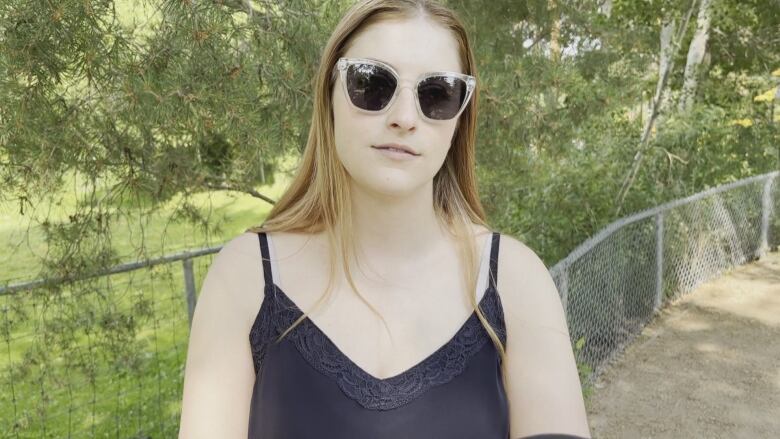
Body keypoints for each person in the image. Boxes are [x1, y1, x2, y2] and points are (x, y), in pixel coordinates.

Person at [178, 0, 591, 438]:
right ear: (329, 95)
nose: (404, 118)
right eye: (372, 84)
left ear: (460, 117)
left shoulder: (515, 281)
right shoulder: (245, 277)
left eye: (437, 94)